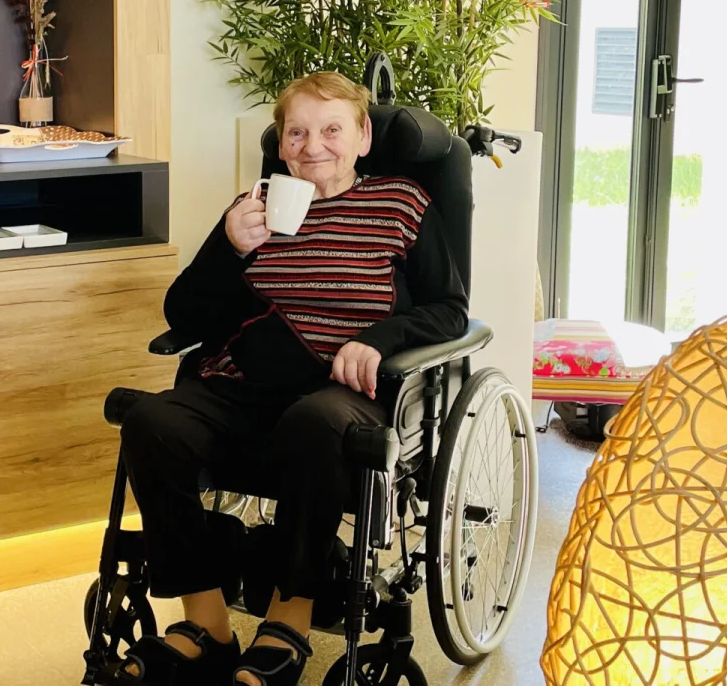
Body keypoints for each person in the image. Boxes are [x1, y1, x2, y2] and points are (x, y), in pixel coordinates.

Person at [115, 72, 467, 686]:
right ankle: (207, 624)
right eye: (297, 133)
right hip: (244, 385)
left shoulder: (401, 204)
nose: (312, 146)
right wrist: (230, 248)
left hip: (344, 395)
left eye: (332, 130)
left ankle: (289, 620)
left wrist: (378, 340)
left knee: (313, 422)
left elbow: (450, 309)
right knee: (151, 421)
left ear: (362, 137)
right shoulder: (252, 209)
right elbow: (185, 315)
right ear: (280, 144)